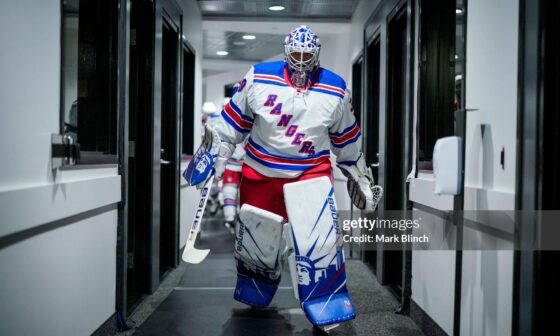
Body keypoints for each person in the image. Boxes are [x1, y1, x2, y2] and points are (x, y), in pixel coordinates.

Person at [188, 25, 381, 331]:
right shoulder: (258, 77)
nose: (302, 61)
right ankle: (256, 291)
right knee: (259, 245)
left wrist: (359, 176)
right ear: (286, 51)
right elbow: (231, 128)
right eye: (296, 54)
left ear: (316, 54)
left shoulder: (336, 88)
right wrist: (212, 154)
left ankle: (326, 300)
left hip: (311, 173)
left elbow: (346, 142)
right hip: (260, 171)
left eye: (308, 55)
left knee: (319, 243)